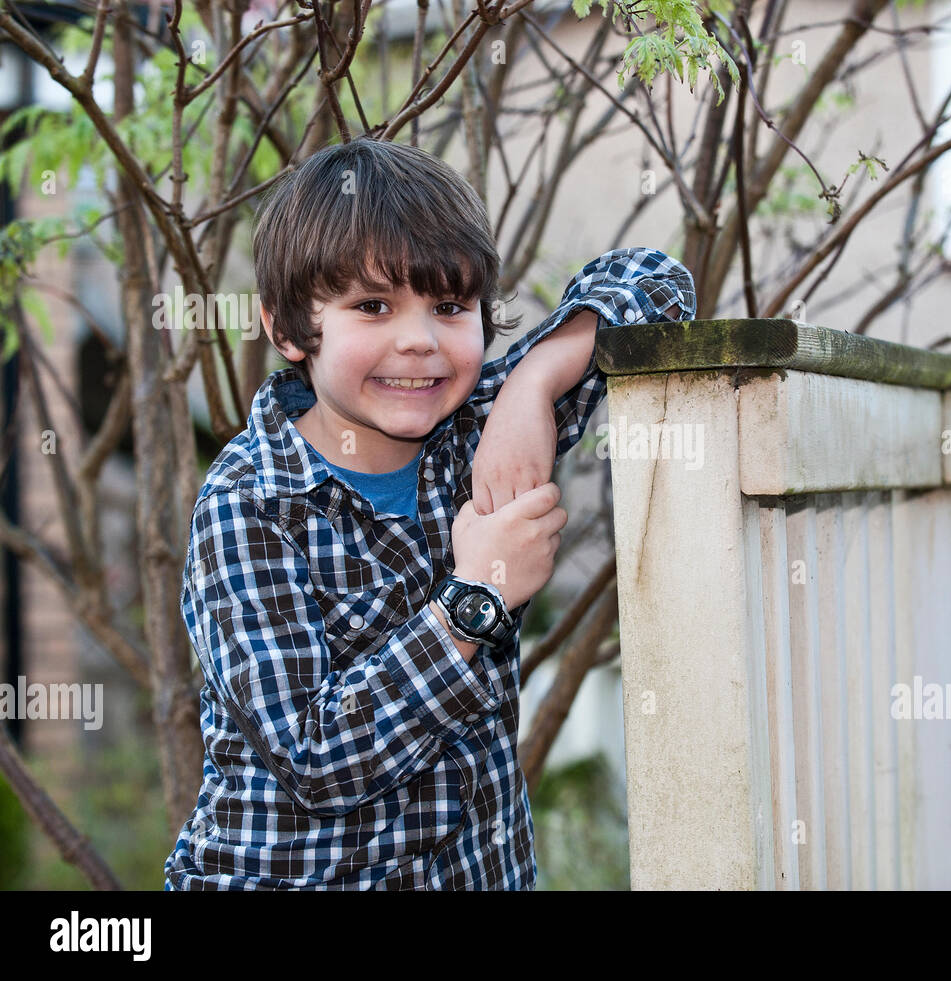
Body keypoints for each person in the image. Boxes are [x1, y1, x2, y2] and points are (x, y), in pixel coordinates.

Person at [162, 137, 695, 889]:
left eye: (450, 306)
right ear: (287, 330)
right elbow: (317, 760)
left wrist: (533, 384)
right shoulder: (250, 504)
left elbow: (659, 282)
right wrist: (474, 599)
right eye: (372, 306)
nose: (419, 339)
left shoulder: (480, 431)